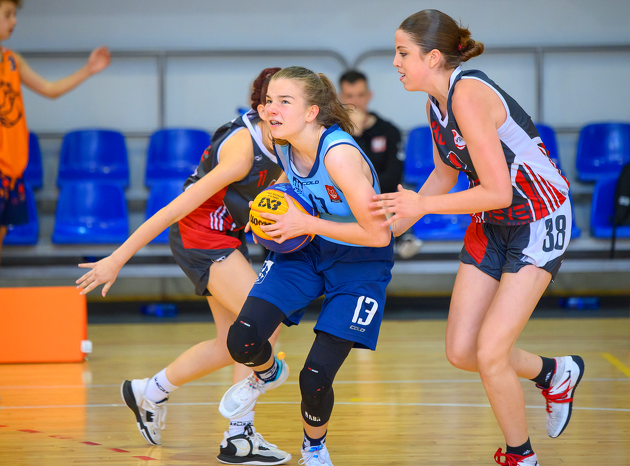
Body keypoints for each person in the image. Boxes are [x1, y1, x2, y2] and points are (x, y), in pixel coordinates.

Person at [371, 10, 584, 466]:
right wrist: (387, 230)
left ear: (432, 57)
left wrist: (419, 206)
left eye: (402, 53)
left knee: (490, 352)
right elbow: (445, 174)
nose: (395, 62)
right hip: (493, 221)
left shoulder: (467, 95)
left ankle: (521, 456)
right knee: (462, 350)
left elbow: (498, 190)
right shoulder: (435, 103)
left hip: (538, 217)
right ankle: (554, 372)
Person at [75, 68, 292, 465]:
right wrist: (117, 258)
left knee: (229, 344)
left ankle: (150, 391)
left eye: (289, 101)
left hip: (226, 235)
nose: (282, 109)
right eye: (275, 102)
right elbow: (175, 208)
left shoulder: (284, 137)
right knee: (262, 322)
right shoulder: (241, 151)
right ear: (262, 109)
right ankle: (239, 436)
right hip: (200, 236)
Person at [217, 66, 394, 466]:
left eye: (284, 101)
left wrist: (306, 224)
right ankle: (266, 373)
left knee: (314, 377)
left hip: (360, 258)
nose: (271, 109)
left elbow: (379, 234)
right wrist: (270, 204)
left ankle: (314, 449)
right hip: (308, 248)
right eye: (269, 101)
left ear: (312, 112)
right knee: (242, 339)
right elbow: (289, 178)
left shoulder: (339, 156)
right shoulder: (282, 140)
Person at [0, 0, 110, 404]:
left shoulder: (11, 60)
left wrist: (88, 70)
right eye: (7, 14)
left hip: (11, 167)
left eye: (15, 14)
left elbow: (49, 90)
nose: (13, 21)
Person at [338, 69, 423, 259]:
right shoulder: (334, 133)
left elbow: (394, 177)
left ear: (369, 95)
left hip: (381, 197)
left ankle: (399, 234)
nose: (356, 101)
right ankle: (401, 236)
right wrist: (355, 134)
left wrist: (369, 191)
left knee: (393, 197)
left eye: (360, 95)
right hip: (346, 199)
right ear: (340, 98)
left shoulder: (388, 130)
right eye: (350, 96)